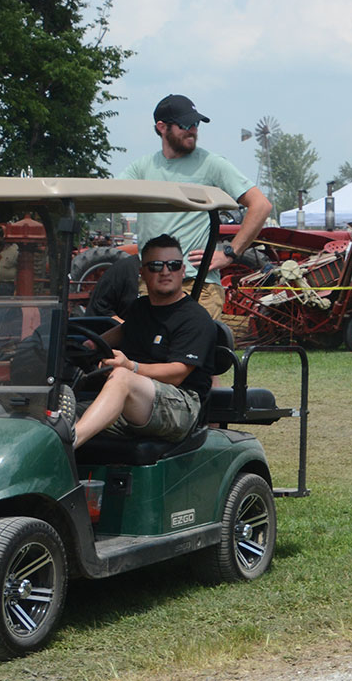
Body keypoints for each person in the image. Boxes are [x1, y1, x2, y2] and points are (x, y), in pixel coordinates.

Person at [119, 94, 272, 322]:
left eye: (196, 124)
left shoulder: (212, 163)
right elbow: (110, 194)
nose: (192, 130)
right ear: (162, 127)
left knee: (189, 353)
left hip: (198, 285)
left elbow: (261, 205)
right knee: (150, 352)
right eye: (185, 125)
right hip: (151, 285)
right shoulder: (142, 168)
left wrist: (230, 253)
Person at [72, 236, 217, 448]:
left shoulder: (195, 318)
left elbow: (177, 373)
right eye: (156, 265)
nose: (166, 272)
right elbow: (124, 330)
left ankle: (73, 440)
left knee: (122, 377)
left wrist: (131, 367)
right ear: (142, 272)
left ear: (183, 271)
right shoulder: (141, 308)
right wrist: (89, 346)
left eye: (173, 265)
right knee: (61, 412)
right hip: (138, 401)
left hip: (181, 406)